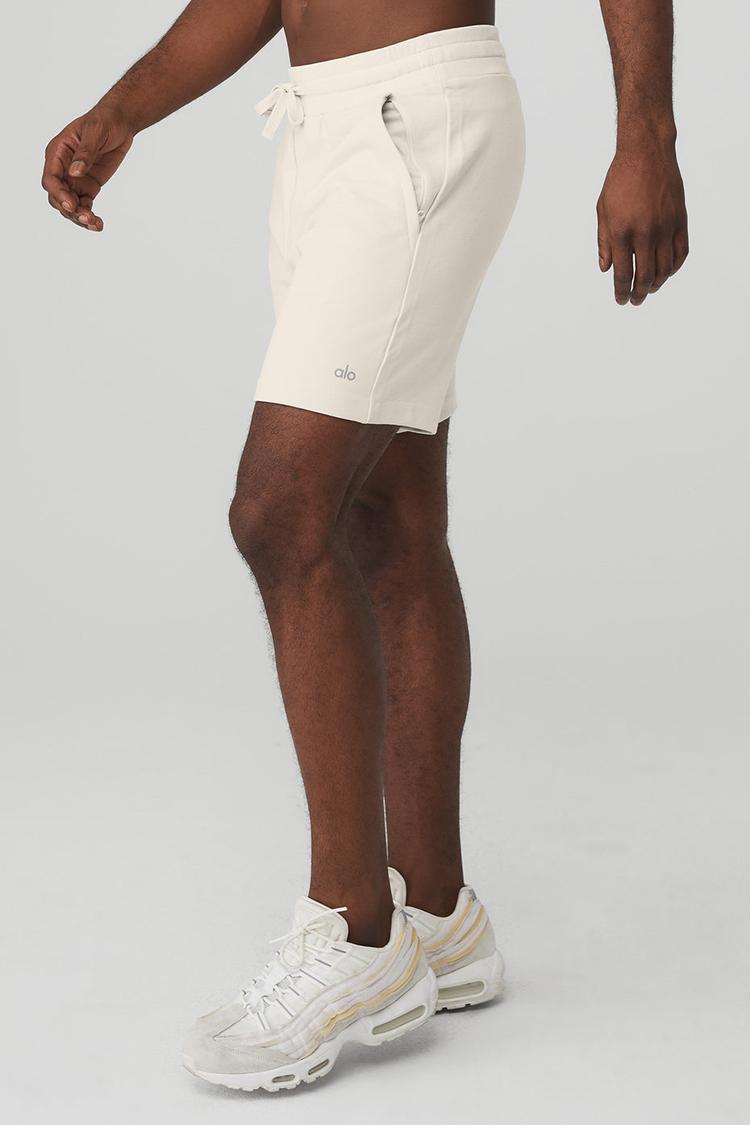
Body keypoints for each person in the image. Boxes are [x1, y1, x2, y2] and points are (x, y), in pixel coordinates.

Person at [41, 0, 688, 1094]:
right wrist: (122, 112)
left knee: (278, 513)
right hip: (324, 127)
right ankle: (437, 913)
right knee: (390, 514)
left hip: (416, 118)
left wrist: (647, 136)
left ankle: (353, 933)